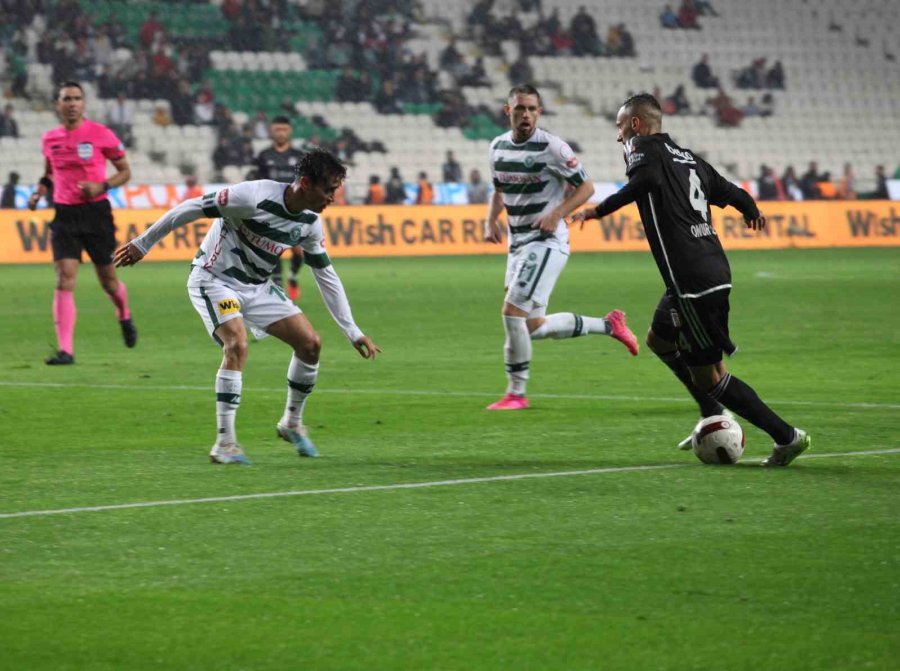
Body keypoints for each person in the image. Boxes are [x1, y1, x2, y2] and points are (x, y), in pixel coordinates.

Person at [570, 93, 810, 466]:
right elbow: (732, 192)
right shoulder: (688, 158)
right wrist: (750, 210)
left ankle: (786, 436)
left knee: (711, 377)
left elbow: (644, 180)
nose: (618, 136)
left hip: (693, 283)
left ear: (636, 124)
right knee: (659, 339)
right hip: (706, 271)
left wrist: (598, 211)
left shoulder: (643, 150)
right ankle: (711, 411)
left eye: (620, 127)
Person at [113, 148, 380, 465]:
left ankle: (292, 423)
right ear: (306, 183)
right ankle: (225, 444)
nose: (333, 198)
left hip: (258, 287)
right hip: (214, 279)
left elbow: (325, 274)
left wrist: (352, 331)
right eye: (329, 190)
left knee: (310, 344)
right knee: (236, 344)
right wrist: (143, 243)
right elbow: (190, 207)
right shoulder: (251, 197)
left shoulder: (310, 222)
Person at [483, 84, 638, 411]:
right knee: (532, 326)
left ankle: (516, 393)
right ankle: (609, 325)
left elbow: (586, 187)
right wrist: (490, 220)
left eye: (532, 109)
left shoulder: (553, 147)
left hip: (546, 242)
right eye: (520, 108)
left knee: (512, 313)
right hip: (518, 244)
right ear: (508, 111)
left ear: (539, 112)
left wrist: (556, 214)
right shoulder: (497, 147)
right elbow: (499, 188)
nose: (526, 115)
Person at [28, 81, 137, 366]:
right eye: (67, 99)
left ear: (84, 103)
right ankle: (66, 351)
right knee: (64, 277)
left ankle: (124, 314)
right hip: (64, 215)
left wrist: (102, 186)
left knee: (109, 282)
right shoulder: (50, 138)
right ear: (58, 104)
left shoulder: (101, 134)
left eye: (77, 98)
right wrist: (40, 191)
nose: (72, 103)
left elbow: (125, 172)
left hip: (96, 213)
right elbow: (49, 172)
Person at [254, 115, 307, 300]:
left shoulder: (299, 156)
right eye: (277, 129)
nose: (281, 133)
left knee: (299, 253)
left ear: (289, 131)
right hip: (271, 211)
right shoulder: (264, 156)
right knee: (273, 249)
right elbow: (258, 183)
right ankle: (278, 289)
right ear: (272, 130)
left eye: (284, 129)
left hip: (294, 210)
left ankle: (292, 276)